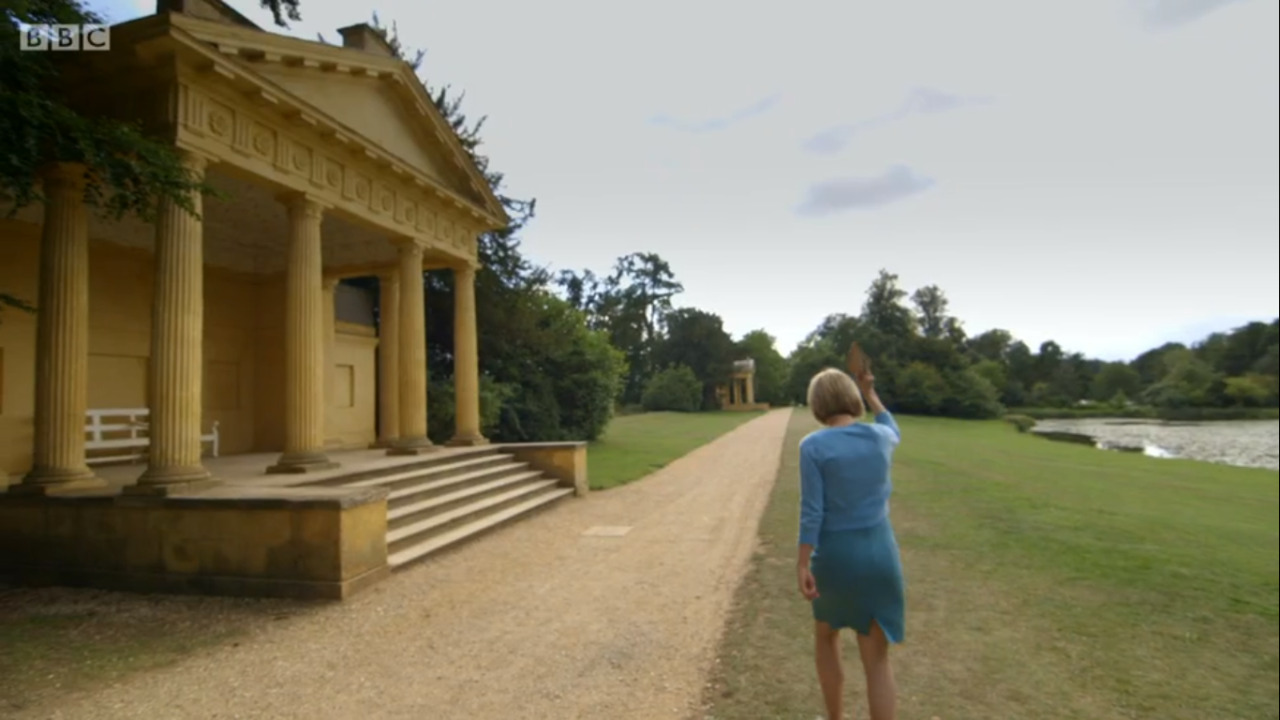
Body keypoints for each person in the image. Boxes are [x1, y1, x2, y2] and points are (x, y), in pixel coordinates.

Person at [796, 366, 904, 720]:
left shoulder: (812, 446)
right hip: (880, 553)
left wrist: (802, 563)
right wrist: (871, 393)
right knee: (877, 661)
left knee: (826, 637)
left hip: (835, 558)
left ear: (817, 403)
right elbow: (892, 425)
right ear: (851, 398)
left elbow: (812, 512)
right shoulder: (880, 437)